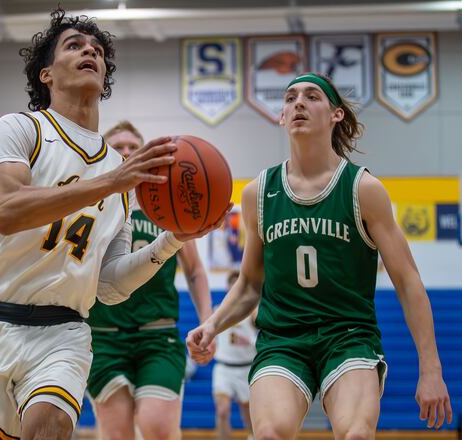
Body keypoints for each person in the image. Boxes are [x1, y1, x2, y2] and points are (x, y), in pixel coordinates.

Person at [0, 8, 226, 440]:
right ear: (47, 73)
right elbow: (8, 209)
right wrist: (109, 182)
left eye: (97, 50)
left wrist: (171, 241)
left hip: (62, 332)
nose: (90, 50)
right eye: (74, 45)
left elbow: (108, 285)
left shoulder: (122, 179)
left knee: (48, 426)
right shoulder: (22, 129)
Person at [187, 72, 453, 439]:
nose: (298, 102)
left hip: (348, 336)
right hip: (283, 340)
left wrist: (431, 369)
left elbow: (408, 282)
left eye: (312, 96)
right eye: (290, 97)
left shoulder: (363, 189)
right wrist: (212, 324)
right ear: (281, 117)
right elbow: (249, 284)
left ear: (335, 115)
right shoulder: (259, 192)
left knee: (356, 433)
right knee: (268, 434)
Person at [86, 121, 214, 440]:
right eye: (118, 147)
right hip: (103, 336)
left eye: (134, 146)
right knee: (116, 434)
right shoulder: (90, 205)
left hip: (156, 333)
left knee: (156, 426)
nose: (127, 152)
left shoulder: (167, 203)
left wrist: (208, 322)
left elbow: (196, 270)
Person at [211, 271, 257, 440]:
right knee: (222, 411)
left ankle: (254, 436)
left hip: (246, 367)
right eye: (232, 284)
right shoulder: (217, 311)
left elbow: (263, 338)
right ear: (228, 287)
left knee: (249, 415)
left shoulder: (253, 311)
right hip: (223, 367)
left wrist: (249, 340)